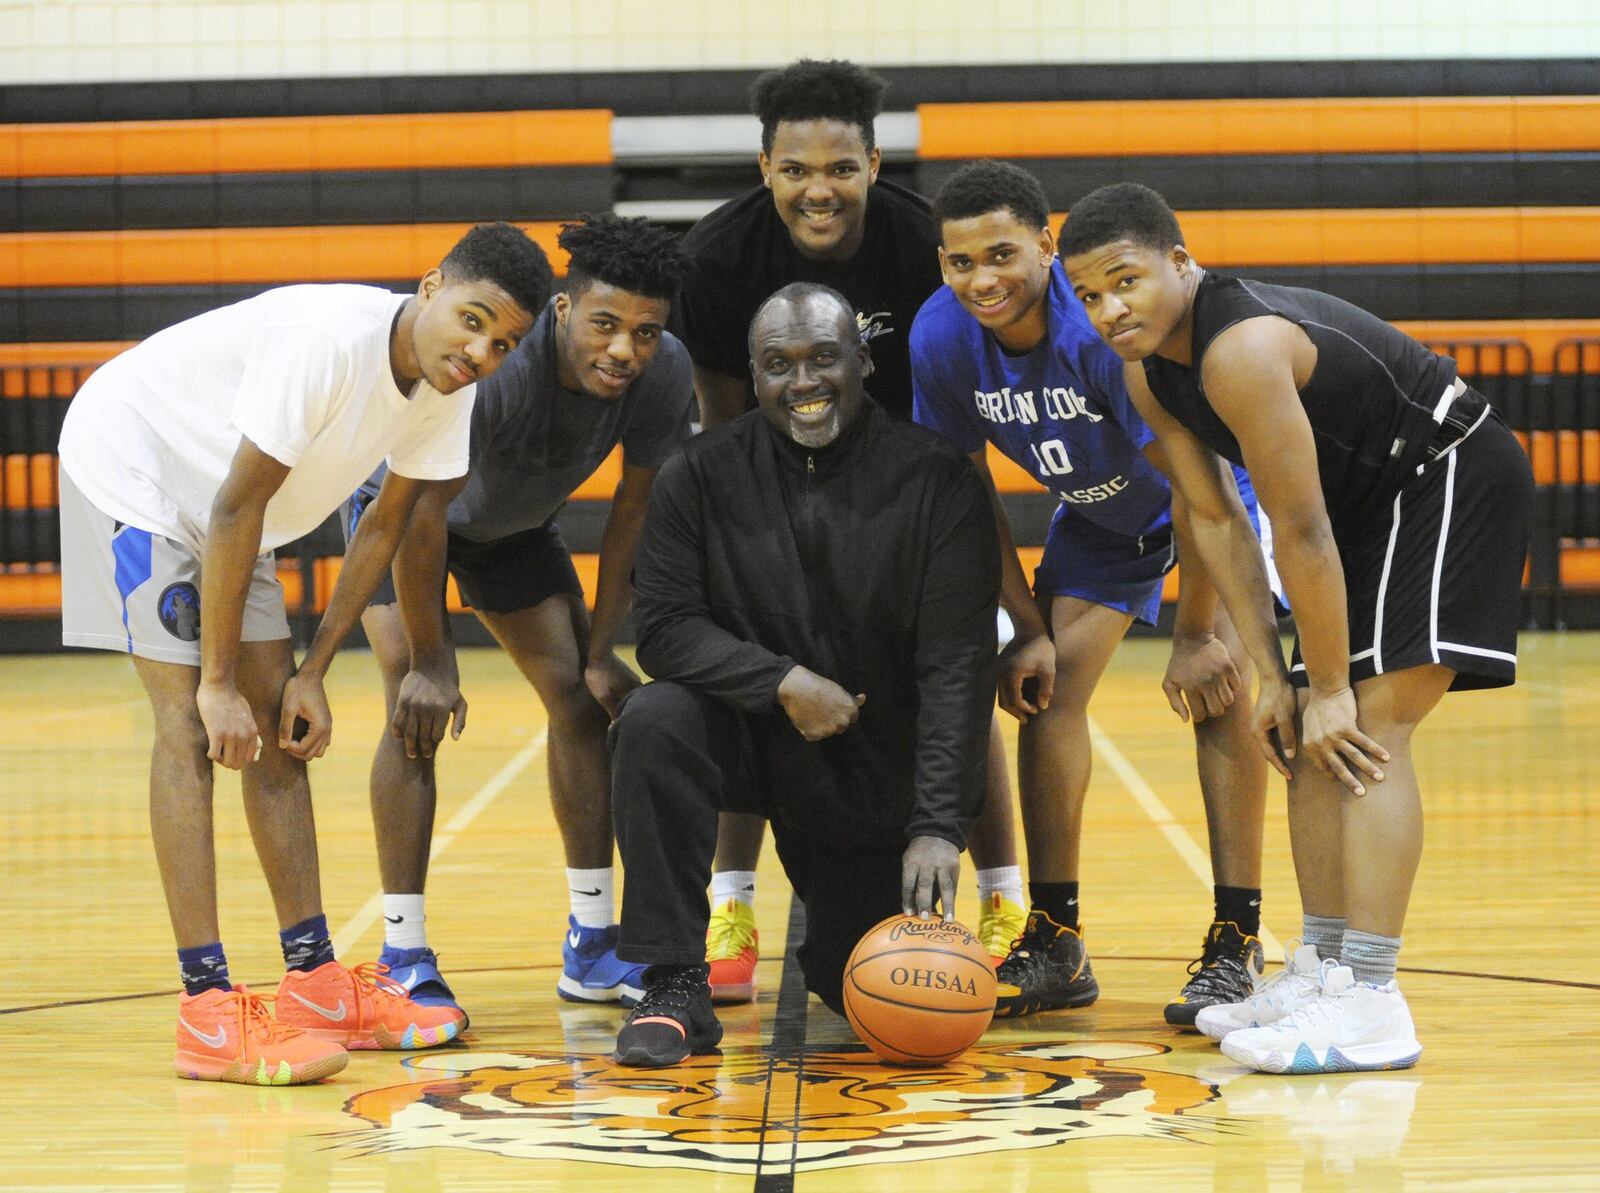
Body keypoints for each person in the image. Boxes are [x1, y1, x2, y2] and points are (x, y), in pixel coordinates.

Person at [56, 223, 549, 1084]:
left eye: (503, 343)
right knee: (192, 727)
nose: (480, 352)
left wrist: (313, 670)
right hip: (139, 474)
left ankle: (315, 980)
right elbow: (236, 508)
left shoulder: (446, 388)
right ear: (430, 286)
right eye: (472, 321)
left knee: (278, 727)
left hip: (231, 514)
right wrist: (216, 683)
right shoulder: (328, 344)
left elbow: (386, 525)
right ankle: (206, 1009)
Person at [1060, 182, 1532, 1073]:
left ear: (1182, 261)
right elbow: (1215, 521)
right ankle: (1322, 970)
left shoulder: (1239, 347)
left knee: (1366, 725)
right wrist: (1276, 677)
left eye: (1124, 280)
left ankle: (1375, 999)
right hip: (1360, 508)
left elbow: (1302, 531)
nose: (1109, 309)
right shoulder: (1148, 371)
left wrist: (1327, 687)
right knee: (1298, 731)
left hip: (1447, 472)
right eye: (1087, 295)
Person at [671, 57, 1025, 998]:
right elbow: (720, 418)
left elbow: (959, 418)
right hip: (770, 489)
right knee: (744, 676)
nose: (818, 189)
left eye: (839, 167)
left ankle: (1003, 896)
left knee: (962, 665)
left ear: (873, 162)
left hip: (913, 497)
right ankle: (731, 901)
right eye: (796, 170)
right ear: (764, 169)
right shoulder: (716, 259)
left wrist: (1012, 600)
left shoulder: (923, 247)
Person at [913, 161, 1276, 1024]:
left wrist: (1197, 633)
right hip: (1099, 519)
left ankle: (1237, 938)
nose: (983, 279)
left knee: (1221, 689)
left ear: (1044, 244)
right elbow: (968, 492)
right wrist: (1026, 622)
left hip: (1211, 504)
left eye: (1001, 254)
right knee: (1046, 690)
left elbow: (1202, 492)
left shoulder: (1098, 336)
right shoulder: (940, 339)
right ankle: (1056, 937)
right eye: (960, 263)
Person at [608, 283, 999, 1067]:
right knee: (654, 719)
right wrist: (781, 680)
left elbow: (958, 666)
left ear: (862, 360)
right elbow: (662, 628)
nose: (804, 382)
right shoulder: (699, 473)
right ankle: (675, 978)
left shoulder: (938, 480)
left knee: (855, 986)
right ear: (752, 379)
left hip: (868, 760)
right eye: (778, 365)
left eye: (824, 358)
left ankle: (837, 936)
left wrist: (935, 825)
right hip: (751, 735)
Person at [343, 214, 695, 1018]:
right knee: (413, 709)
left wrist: (605, 646)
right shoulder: (503, 371)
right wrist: (433, 660)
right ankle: (403, 952)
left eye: (645, 332)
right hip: (402, 517)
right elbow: (422, 514)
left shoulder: (663, 373)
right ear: (565, 311)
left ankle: (594, 943)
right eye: (605, 324)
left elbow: (633, 514)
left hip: (511, 529)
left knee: (581, 699)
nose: (624, 350)